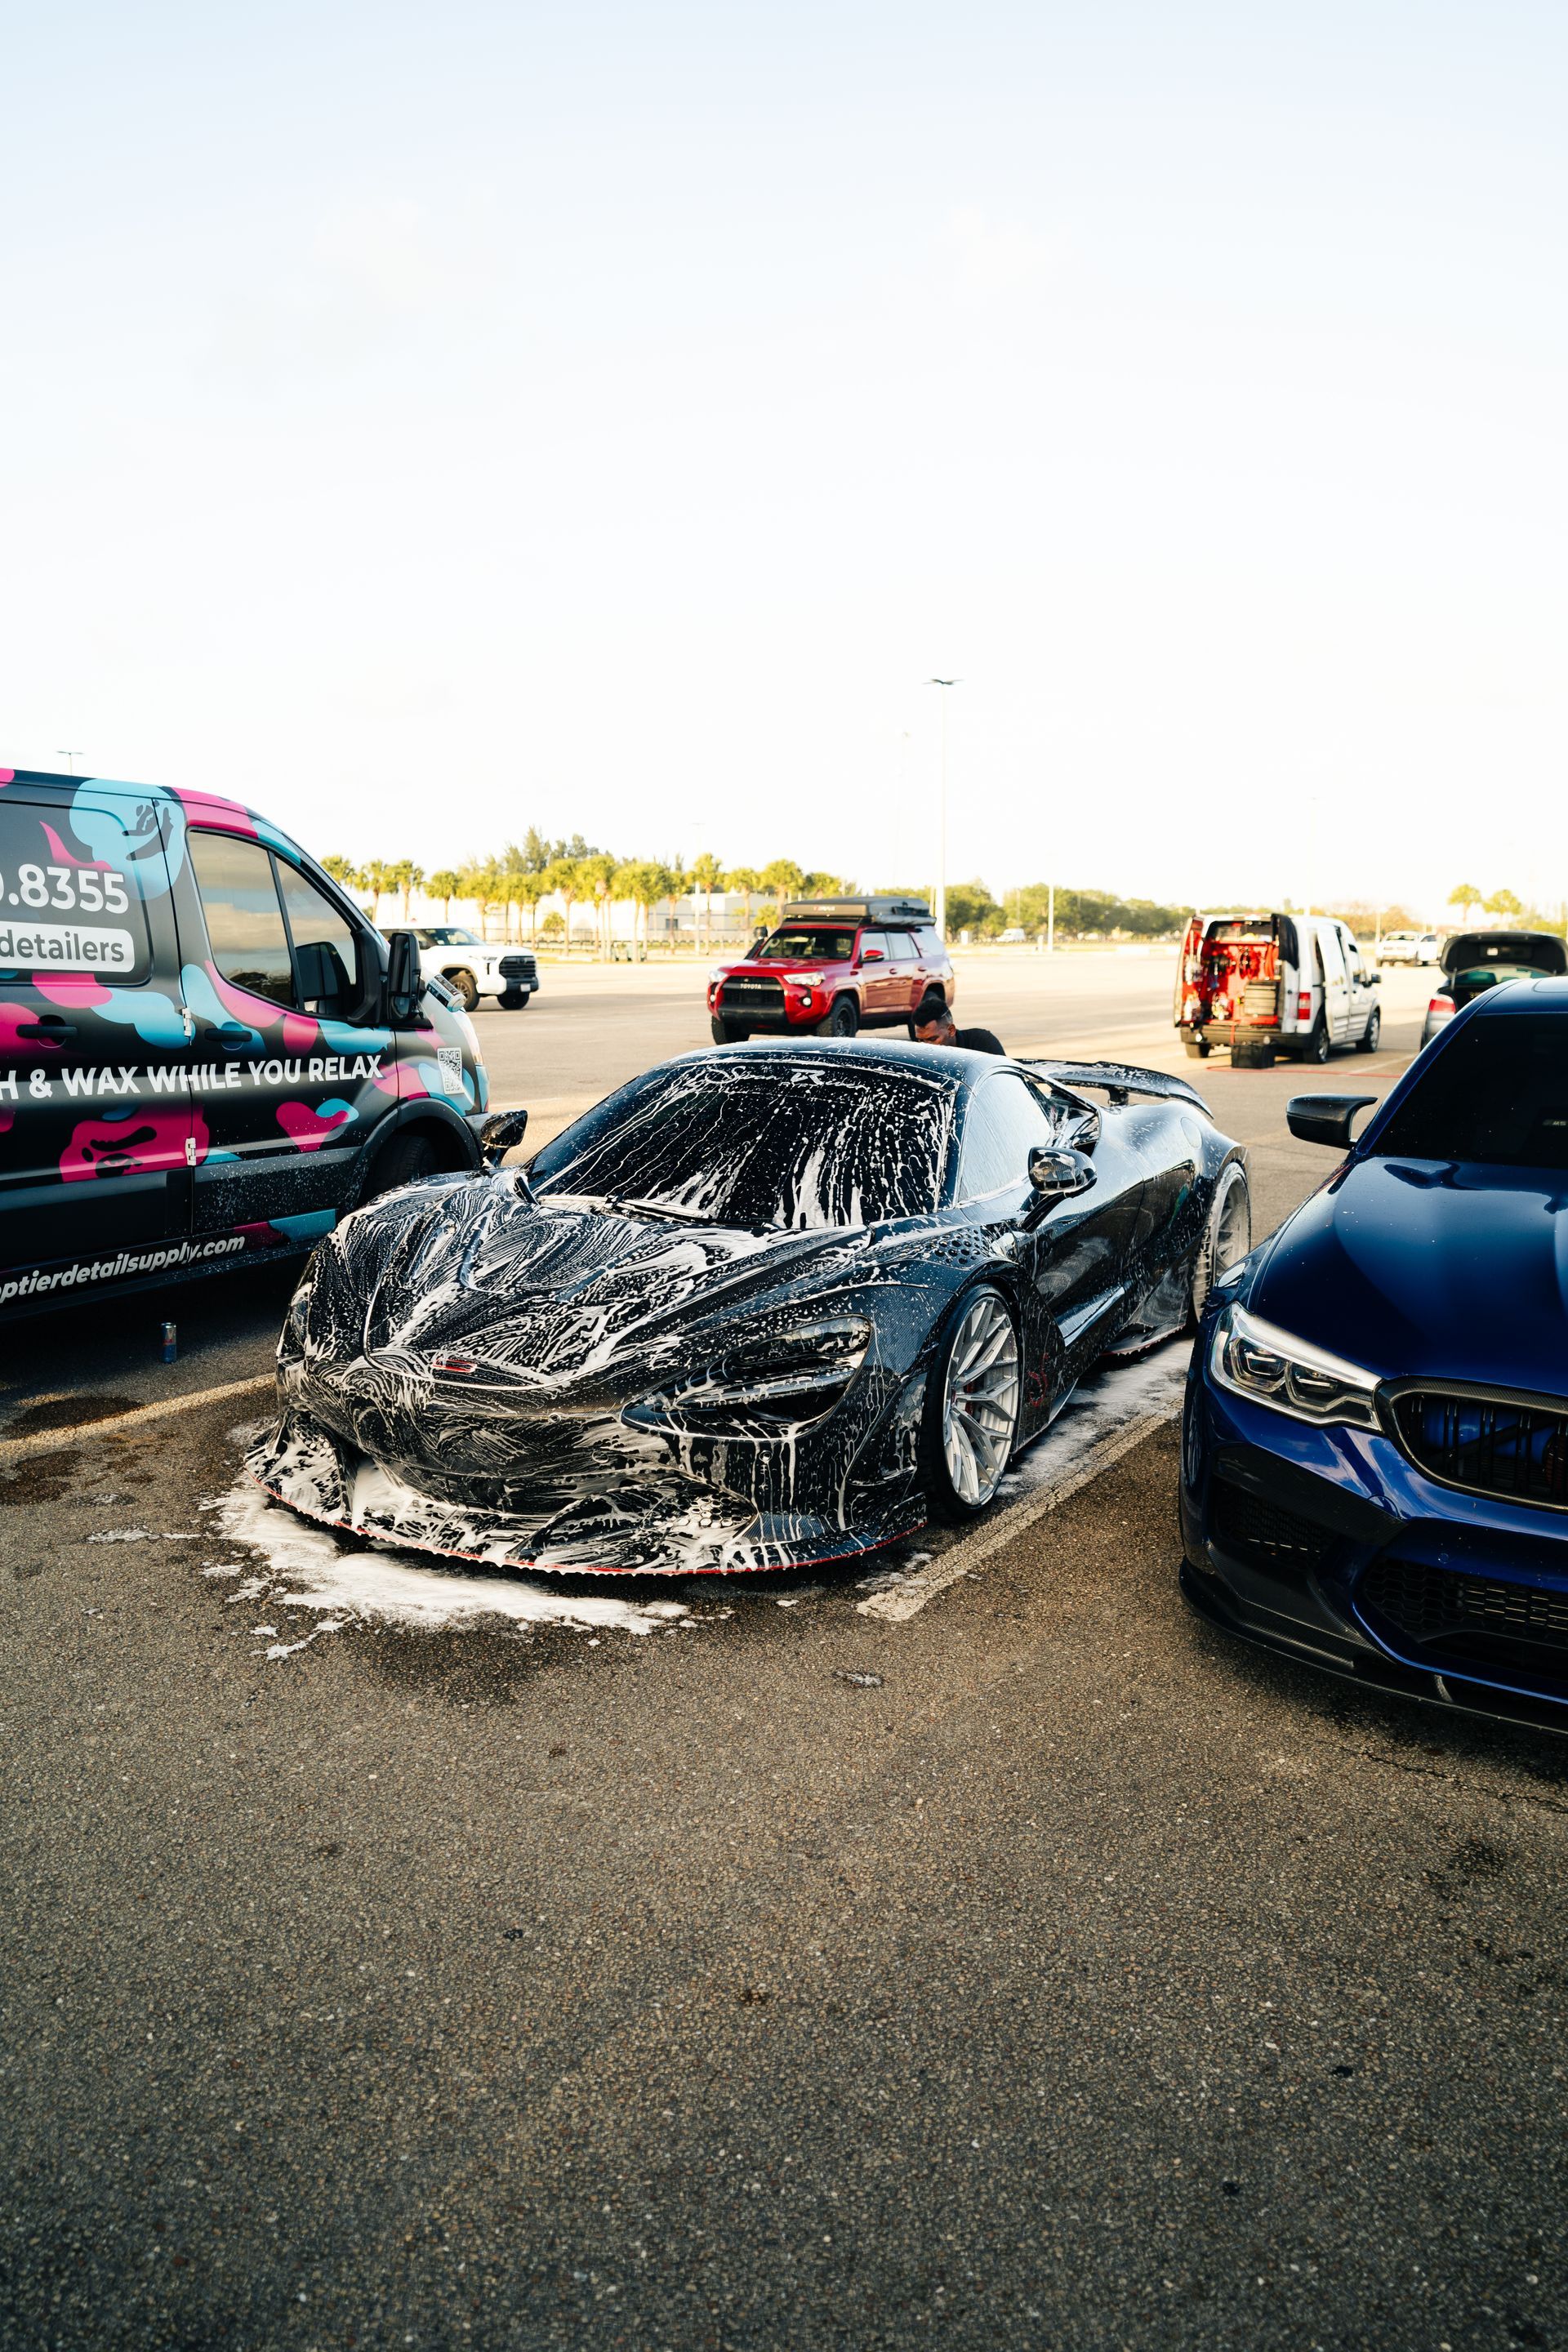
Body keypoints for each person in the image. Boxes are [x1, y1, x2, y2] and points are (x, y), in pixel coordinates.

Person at [911, 990, 1004, 1055]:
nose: (926, 1047)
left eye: (932, 1039)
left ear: (951, 1030)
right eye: (921, 1040)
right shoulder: (918, 1055)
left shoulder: (981, 1043)